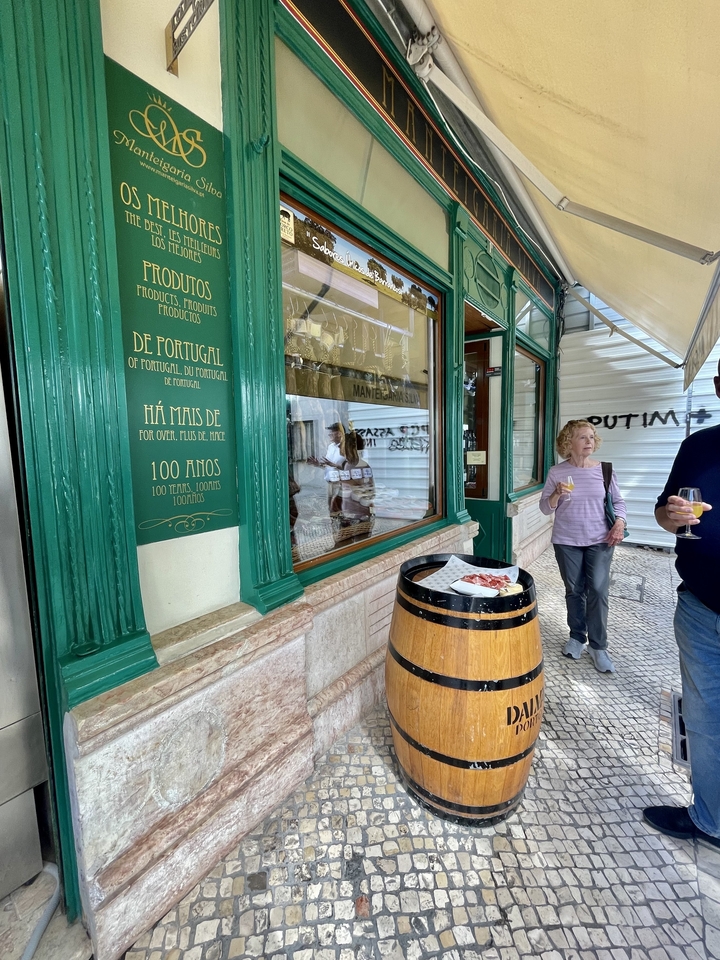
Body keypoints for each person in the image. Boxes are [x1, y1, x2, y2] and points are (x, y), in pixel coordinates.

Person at [643, 362, 720, 848]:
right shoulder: (698, 446)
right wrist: (671, 518)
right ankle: (710, 819)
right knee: (704, 720)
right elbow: (663, 511)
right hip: (698, 609)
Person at [540, 419, 627, 673]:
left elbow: (619, 503)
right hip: (566, 541)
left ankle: (598, 646)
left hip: (600, 540)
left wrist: (619, 522)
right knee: (574, 590)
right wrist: (556, 493)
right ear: (569, 443)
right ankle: (577, 637)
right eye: (582, 437)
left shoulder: (605, 470)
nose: (589, 441)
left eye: (591, 437)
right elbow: (546, 508)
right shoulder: (556, 472)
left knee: (598, 591)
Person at [333, 430, 375, 546]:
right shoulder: (344, 465)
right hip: (346, 514)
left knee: (356, 545)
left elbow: (371, 489)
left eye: (342, 447)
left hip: (359, 514)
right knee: (352, 545)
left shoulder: (360, 466)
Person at [307, 422, 345, 517]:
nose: (329, 435)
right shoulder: (331, 447)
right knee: (331, 510)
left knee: (339, 509)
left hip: (341, 483)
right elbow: (328, 465)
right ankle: (335, 529)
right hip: (330, 483)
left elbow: (351, 467)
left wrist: (333, 465)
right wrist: (318, 464)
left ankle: (344, 529)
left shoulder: (346, 447)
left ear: (339, 433)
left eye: (331, 433)